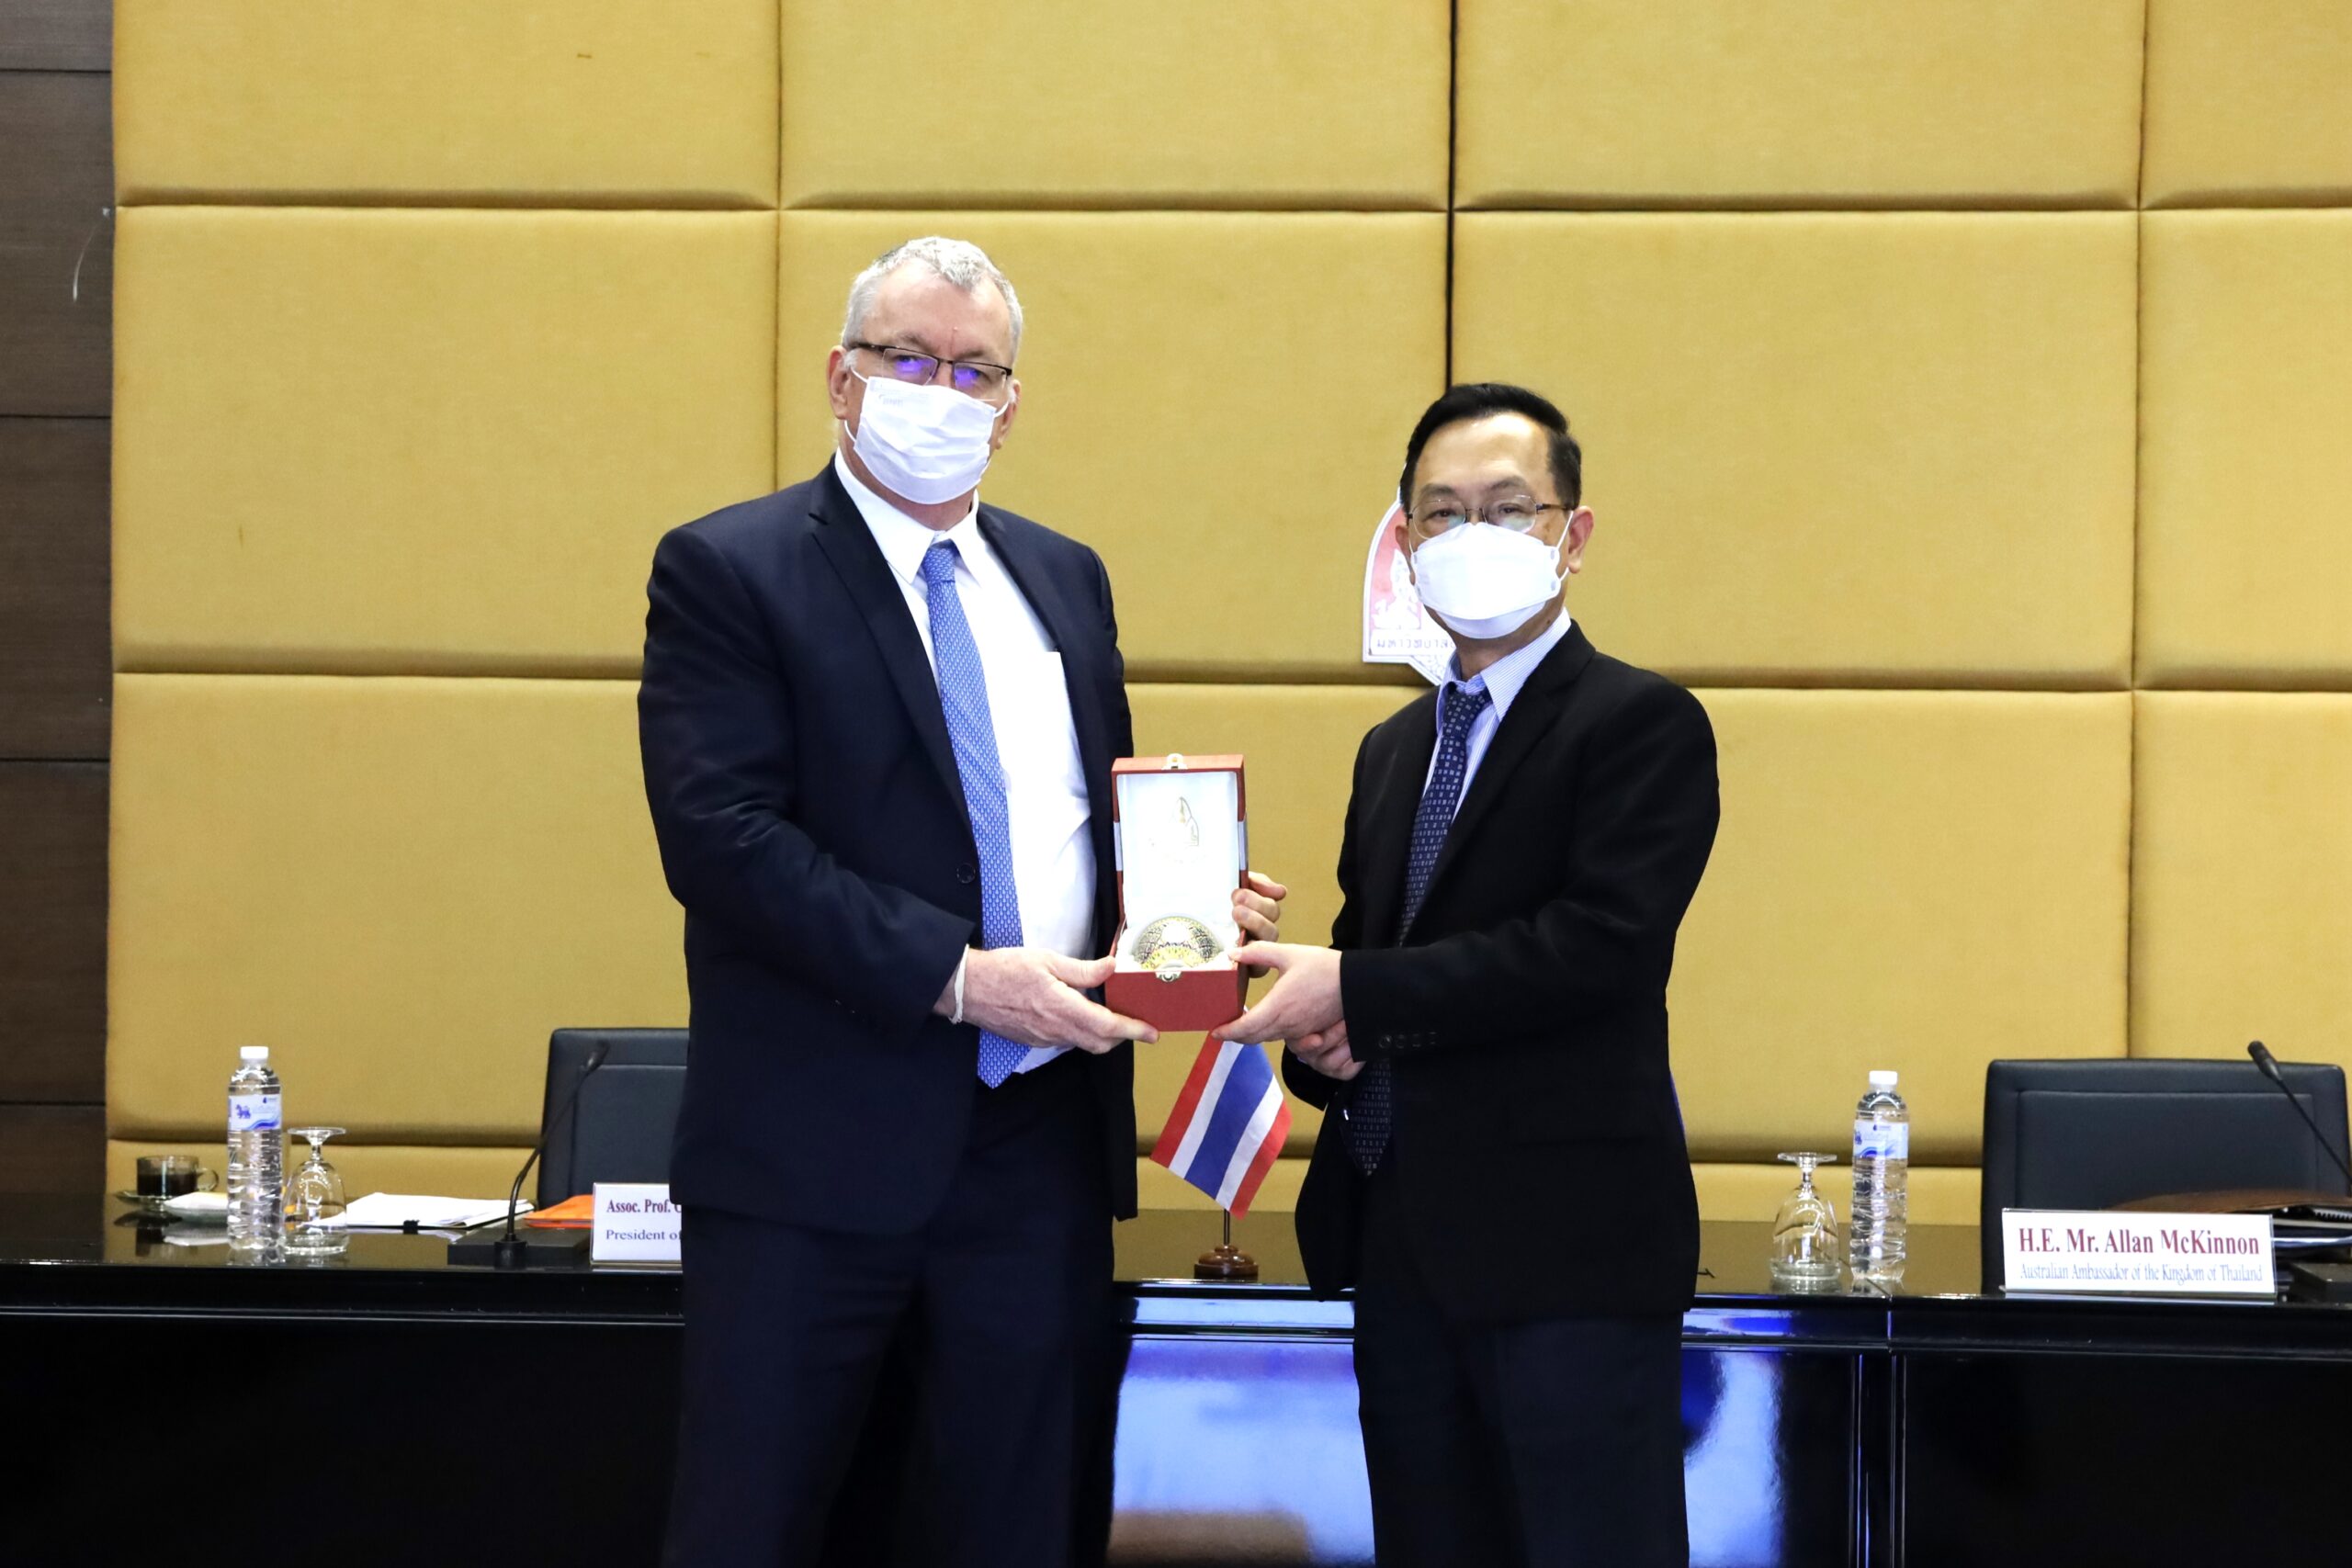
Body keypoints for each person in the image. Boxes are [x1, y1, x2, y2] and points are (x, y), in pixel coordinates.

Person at [638, 235, 1283, 1568]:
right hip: (813, 1164)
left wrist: (1186, 911)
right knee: (758, 1528)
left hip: (1037, 1159)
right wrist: (959, 975)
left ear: (1012, 402)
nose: (944, 390)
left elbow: (1077, 825)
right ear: (842, 377)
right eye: (910, 360)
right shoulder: (730, 569)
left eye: (975, 369)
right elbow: (723, 840)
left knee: (1021, 1526)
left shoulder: (1064, 576)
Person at [1218, 383, 1719, 1568]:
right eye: (1441, 512)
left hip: (1567, 1260)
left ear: (1572, 536)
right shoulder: (1395, 748)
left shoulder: (1640, 722)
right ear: (1403, 543)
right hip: (1400, 1252)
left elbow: (1596, 949)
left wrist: (1356, 992)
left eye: (1507, 506)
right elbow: (1378, 971)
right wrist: (1301, 1008)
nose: (1470, 532)